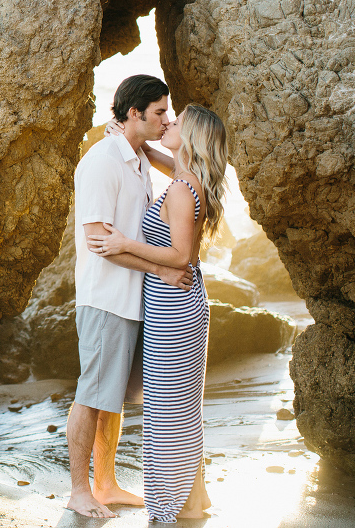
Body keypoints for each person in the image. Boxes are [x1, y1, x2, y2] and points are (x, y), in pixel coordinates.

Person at [89, 103, 228, 522]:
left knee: (169, 413)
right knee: (180, 409)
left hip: (176, 304)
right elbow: (153, 155)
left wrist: (125, 244)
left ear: (192, 138)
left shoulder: (184, 189)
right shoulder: (187, 177)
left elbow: (181, 255)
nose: (167, 123)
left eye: (176, 121)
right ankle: (192, 501)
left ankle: (173, 504)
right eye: (164, 116)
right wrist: (127, 133)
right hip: (176, 303)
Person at [66, 75, 194, 519]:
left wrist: (146, 143)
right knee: (92, 394)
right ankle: (79, 491)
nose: (167, 119)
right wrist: (161, 267)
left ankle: (105, 483)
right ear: (135, 112)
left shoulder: (136, 156)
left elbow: (180, 170)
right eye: (159, 112)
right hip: (105, 298)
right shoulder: (101, 162)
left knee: (112, 396)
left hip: (133, 298)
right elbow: (100, 239)